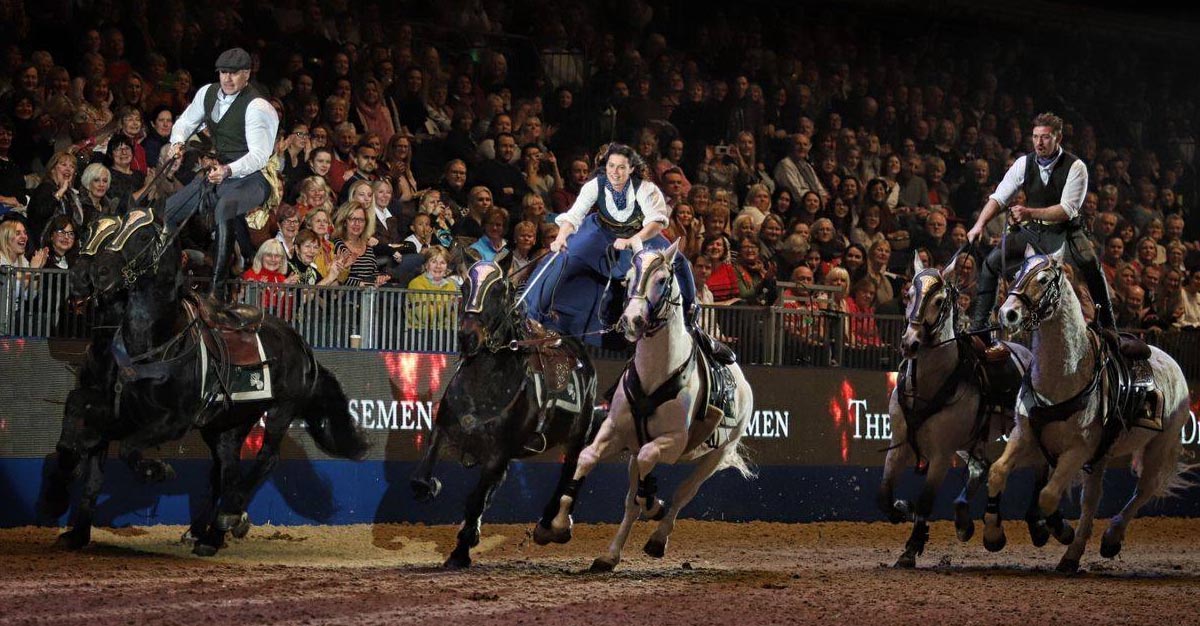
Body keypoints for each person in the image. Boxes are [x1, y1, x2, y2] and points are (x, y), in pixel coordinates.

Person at [523, 143, 731, 361]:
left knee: (678, 261)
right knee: (563, 257)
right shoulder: (596, 185)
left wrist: (634, 239)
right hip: (600, 232)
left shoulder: (646, 189)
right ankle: (534, 317)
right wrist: (561, 236)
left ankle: (692, 323)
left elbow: (655, 221)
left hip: (640, 235)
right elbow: (575, 214)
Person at [966, 113, 1115, 352]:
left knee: (1090, 264)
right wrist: (979, 225)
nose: (1039, 143)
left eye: (1045, 137)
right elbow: (999, 196)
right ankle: (979, 329)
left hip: (1066, 231)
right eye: (1035, 137)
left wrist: (1028, 212)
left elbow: (1067, 209)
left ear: (1058, 138)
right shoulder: (1024, 163)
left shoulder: (1076, 166)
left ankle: (1109, 329)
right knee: (992, 263)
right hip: (1034, 230)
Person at [160, 48, 280, 301]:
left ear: (247, 74)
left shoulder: (258, 106)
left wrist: (228, 170)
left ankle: (218, 288)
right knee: (168, 211)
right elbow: (184, 122)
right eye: (223, 73)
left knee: (225, 206)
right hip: (220, 170)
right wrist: (177, 142)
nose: (227, 78)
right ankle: (170, 279)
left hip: (253, 177)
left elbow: (259, 155)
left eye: (234, 73)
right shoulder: (207, 92)